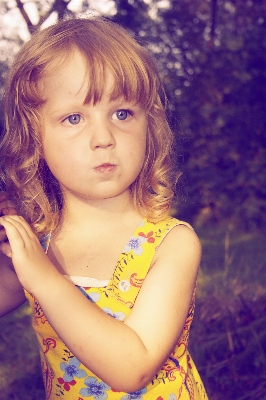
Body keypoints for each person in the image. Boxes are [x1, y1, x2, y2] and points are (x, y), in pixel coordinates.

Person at [0, 17, 208, 400]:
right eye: (74, 118)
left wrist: (44, 278)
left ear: (150, 125)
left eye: (122, 113)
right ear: (34, 139)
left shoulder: (171, 244)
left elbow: (132, 367)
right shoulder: (38, 245)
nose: (103, 138)